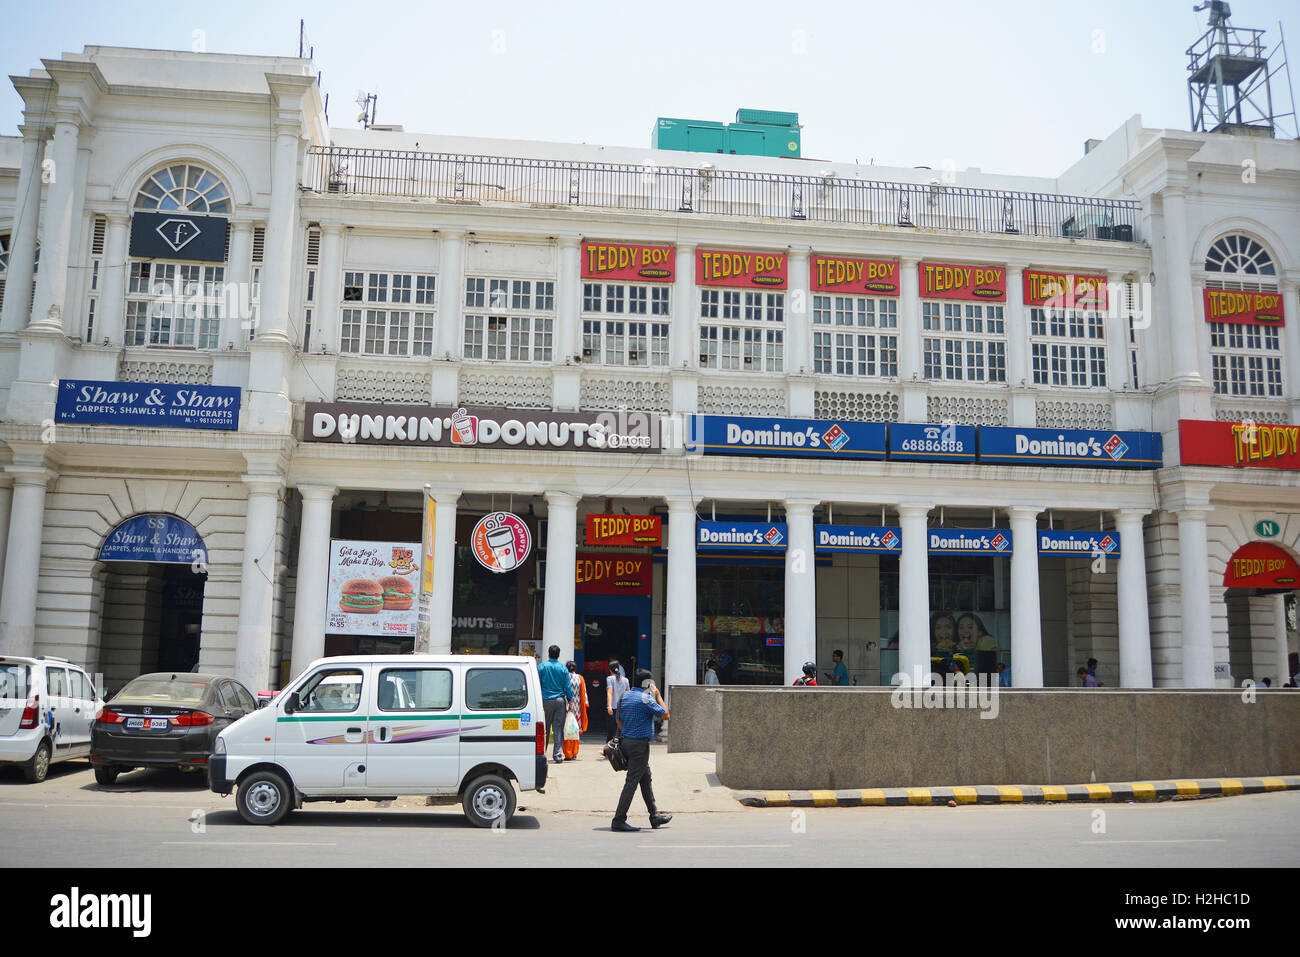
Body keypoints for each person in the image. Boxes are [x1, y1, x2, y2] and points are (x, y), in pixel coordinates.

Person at [611, 669, 670, 833]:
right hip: (639, 747)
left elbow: (618, 719)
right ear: (648, 684)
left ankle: (654, 815)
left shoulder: (625, 696)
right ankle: (618, 819)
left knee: (645, 778)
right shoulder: (646, 698)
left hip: (627, 742)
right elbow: (666, 715)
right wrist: (657, 694)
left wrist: (628, 733)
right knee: (632, 782)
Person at [538, 645, 574, 763]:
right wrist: (570, 701)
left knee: (545, 728)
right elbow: (567, 687)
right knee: (558, 728)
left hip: (545, 700)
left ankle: (542, 753)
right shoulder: (563, 668)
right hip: (560, 700)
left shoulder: (542, 667)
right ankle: (558, 755)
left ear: (548, 654)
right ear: (558, 655)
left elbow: (537, 684)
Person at [562, 661, 588, 760]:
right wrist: (584, 706)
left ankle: (568, 753)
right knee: (575, 730)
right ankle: (574, 752)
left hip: (566, 706)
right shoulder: (580, 678)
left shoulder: (564, 677)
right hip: (577, 708)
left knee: (566, 730)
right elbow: (584, 694)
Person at [605, 659, 629, 743]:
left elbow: (610, 692)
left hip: (614, 707)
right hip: (623, 707)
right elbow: (628, 693)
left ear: (610, 669)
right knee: (622, 728)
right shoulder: (626, 680)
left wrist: (609, 706)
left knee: (611, 730)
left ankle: (609, 748)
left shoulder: (609, 679)